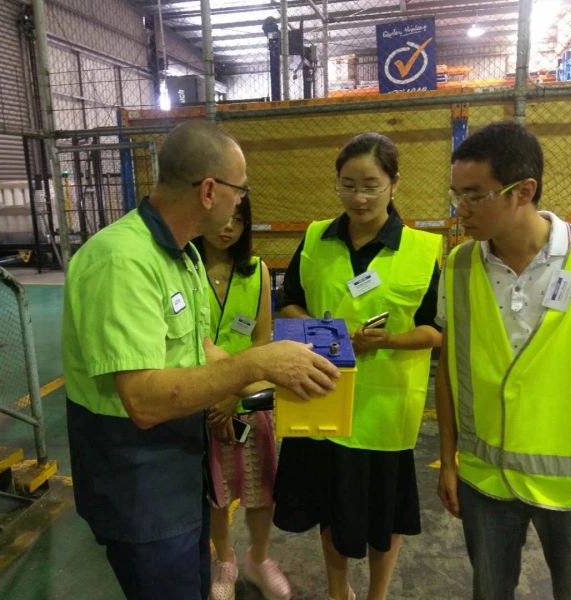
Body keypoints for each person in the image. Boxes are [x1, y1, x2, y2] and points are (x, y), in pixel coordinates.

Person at [61, 120, 340, 600]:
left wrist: (279, 376)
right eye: (240, 189)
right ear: (210, 191)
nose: (241, 201)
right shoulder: (122, 261)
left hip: (178, 470)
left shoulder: (181, 255)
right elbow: (143, 400)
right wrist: (258, 364)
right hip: (137, 482)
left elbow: (202, 351)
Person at [435, 121, 571, 600]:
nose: (460, 210)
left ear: (524, 191)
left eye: (475, 195)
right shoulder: (459, 266)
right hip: (485, 480)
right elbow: (448, 372)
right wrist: (448, 461)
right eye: (456, 195)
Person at [273, 132, 443, 600]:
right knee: (331, 507)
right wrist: (332, 334)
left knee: (385, 515)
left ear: (394, 184)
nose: (359, 197)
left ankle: (376, 595)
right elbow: (290, 302)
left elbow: (435, 329)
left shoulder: (421, 250)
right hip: (323, 397)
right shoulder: (316, 238)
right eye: (348, 185)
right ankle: (338, 591)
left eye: (371, 186)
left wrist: (390, 340)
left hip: (384, 411)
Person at [192, 195, 291, 600]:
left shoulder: (258, 271)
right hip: (201, 398)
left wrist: (233, 395)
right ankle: (226, 560)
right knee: (217, 493)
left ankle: (259, 559)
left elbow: (261, 340)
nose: (228, 226)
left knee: (260, 488)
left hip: (248, 397)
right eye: (223, 216)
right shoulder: (186, 269)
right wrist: (215, 396)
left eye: (239, 218)